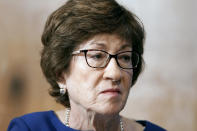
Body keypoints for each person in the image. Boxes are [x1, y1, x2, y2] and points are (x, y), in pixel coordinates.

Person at [8, 0, 166, 130]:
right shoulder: (30, 128)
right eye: (97, 56)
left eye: (124, 57)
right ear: (60, 73)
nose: (115, 73)